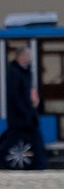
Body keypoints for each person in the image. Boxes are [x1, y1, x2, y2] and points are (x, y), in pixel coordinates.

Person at [4, 41, 42, 171]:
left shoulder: (26, 72)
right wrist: (25, 112)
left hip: (27, 114)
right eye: (27, 55)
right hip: (20, 116)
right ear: (20, 56)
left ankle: (41, 165)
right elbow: (15, 96)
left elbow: (29, 92)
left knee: (35, 140)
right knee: (13, 140)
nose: (30, 57)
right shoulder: (15, 72)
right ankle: (41, 165)